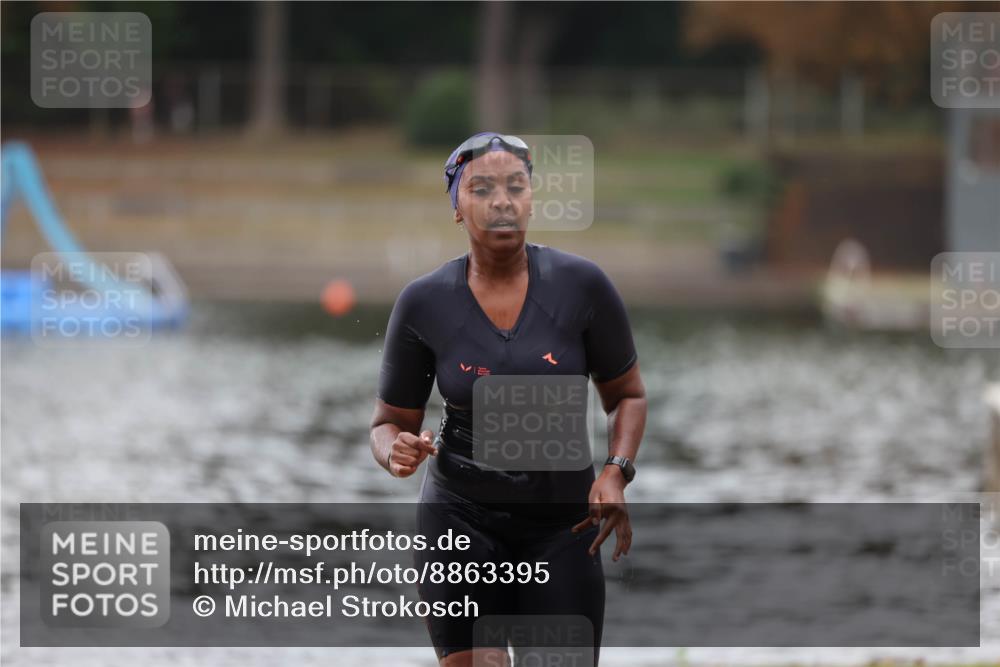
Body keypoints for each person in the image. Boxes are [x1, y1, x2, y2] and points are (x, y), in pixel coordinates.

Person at [369, 132, 647, 667]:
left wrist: (615, 471)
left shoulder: (582, 287)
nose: (501, 200)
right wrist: (394, 450)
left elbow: (627, 396)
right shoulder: (424, 302)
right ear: (457, 207)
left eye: (516, 186)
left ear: (531, 199)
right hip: (459, 520)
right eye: (482, 188)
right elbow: (387, 422)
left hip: (564, 530)